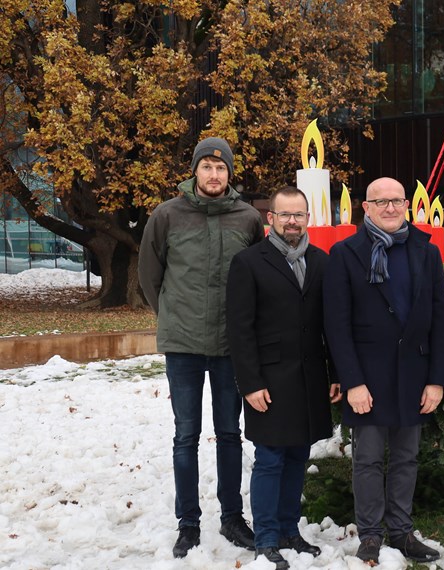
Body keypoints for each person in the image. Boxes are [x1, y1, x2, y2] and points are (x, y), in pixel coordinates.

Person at [138, 136, 264, 558]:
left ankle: (232, 518)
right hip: (185, 346)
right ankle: (188, 523)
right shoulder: (167, 215)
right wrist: (172, 315)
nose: (214, 174)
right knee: (185, 436)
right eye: (207, 167)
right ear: (195, 170)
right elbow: (149, 276)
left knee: (230, 433)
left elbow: (258, 278)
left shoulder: (247, 218)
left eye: (221, 167)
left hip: (232, 345)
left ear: (230, 173)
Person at [323, 177, 444, 566]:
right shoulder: (345, 254)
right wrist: (353, 381)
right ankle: (371, 535)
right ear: (367, 208)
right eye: (382, 202)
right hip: (368, 375)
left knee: (406, 457)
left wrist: (437, 379)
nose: (391, 208)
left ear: (407, 205)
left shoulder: (425, 251)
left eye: (397, 201)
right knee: (369, 458)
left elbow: (438, 319)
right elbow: (336, 325)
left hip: (414, 372)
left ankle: (402, 530)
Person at [226, 186, 342, 569]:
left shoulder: (322, 262)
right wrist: (250, 383)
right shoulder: (249, 263)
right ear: (270, 219)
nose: (292, 221)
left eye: (299, 215)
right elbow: (240, 330)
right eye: (284, 214)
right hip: (269, 382)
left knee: (297, 457)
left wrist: (336, 373)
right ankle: (266, 539)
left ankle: (291, 531)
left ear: (307, 219)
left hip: (309, 378)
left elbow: (332, 325)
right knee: (271, 459)